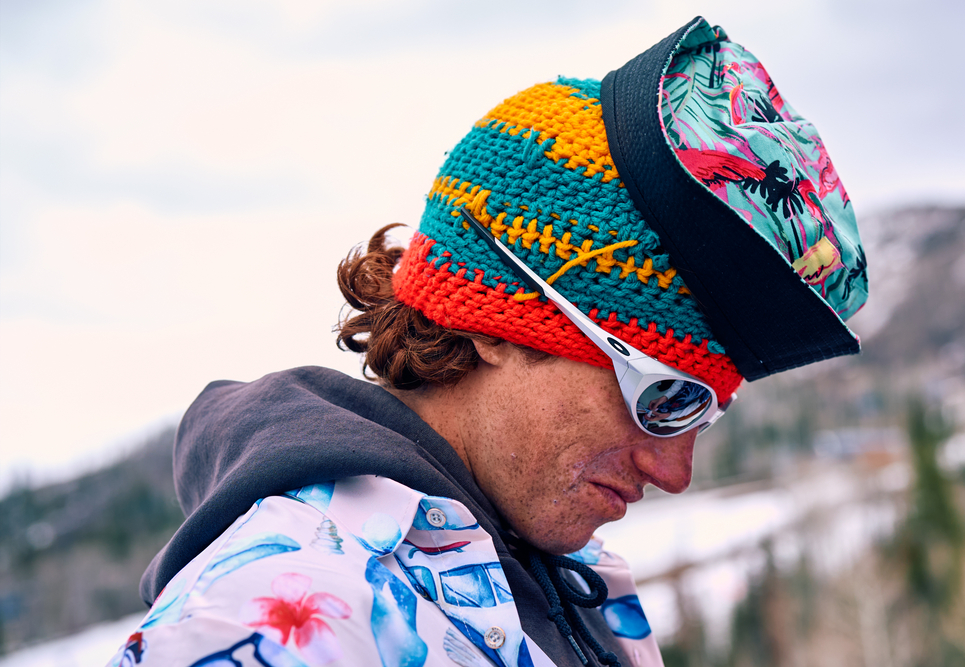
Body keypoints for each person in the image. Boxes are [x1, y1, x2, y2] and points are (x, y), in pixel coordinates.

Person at [108, 16, 868, 667]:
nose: (674, 472)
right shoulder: (276, 620)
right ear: (497, 319)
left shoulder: (573, 581)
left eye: (701, 413)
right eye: (664, 396)